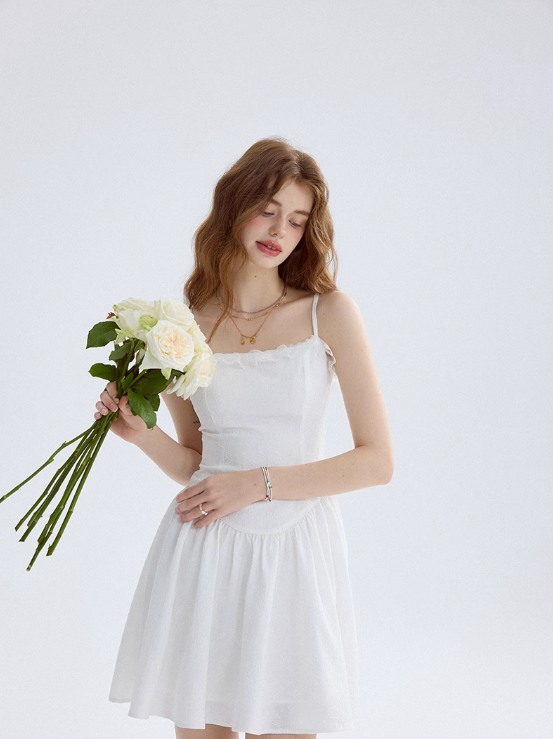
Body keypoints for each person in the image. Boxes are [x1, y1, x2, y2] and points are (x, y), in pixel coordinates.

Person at [99, 137, 394, 739]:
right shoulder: (183, 328)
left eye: (297, 219)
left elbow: (377, 461)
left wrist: (258, 485)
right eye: (267, 209)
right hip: (203, 545)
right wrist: (142, 435)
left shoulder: (329, 312)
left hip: (293, 551)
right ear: (234, 206)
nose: (280, 230)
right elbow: (199, 463)